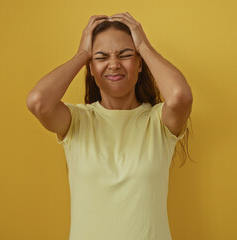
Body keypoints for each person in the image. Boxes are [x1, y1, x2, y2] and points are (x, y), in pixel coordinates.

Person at [27, 12, 193, 240]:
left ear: (139, 64)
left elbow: (180, 96)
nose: (114, 64)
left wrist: (143, 44)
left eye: (125, 55)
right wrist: (82, 54)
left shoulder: (158, 122)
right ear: (91, 69)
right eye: (101, 57)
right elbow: (38, 102)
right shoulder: (78, 121)